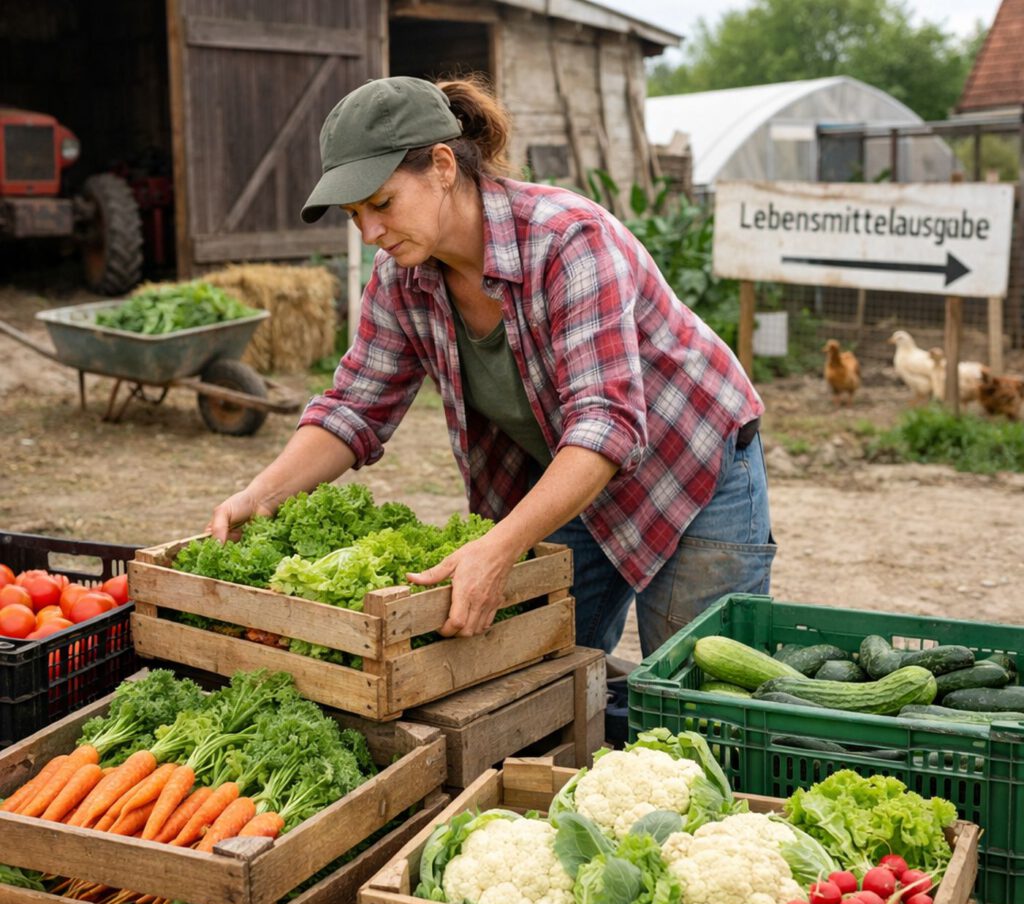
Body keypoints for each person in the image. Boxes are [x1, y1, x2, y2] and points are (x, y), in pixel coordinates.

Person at [209, 74, 774, 659]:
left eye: (381, 203)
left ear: (444, 166)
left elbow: (606, 423)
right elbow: (355, 406)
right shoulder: (401, 278)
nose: (371, 232)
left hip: (689, 469)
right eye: (354, 215)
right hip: (566, 473)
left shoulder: (566, 239)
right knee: (539, 677)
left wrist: (499, 546)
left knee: (699, 691)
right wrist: (263, 492)